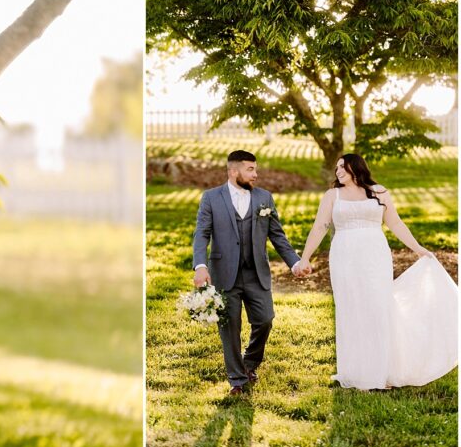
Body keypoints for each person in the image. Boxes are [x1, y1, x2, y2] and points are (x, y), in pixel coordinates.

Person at [298, 153, 457, 390]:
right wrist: (305, 257)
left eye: (343, 166)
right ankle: (356, 372)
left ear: (356, 167)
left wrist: (418, 249)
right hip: (344, 257)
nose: (338, 171)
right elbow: (320, 226)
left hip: (374, 256)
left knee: (377, 306)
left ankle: (382, 371)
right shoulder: (333, 195)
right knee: (351, 308)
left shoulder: (379, 192)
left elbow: (395, 223)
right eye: (336, 168)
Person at [192, 150, 303, 396]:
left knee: (265, 320)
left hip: (256, 273)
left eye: (255, 169)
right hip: (224, 273)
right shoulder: (211, 198)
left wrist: (294, 263)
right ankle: (237, 379)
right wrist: (200, 265)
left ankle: (249, 362)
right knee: (229, 326)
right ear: (234, 172)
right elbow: (202, 234)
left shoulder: (264, 198)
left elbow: (277, 235)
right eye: (250, 169)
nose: (256, 174)